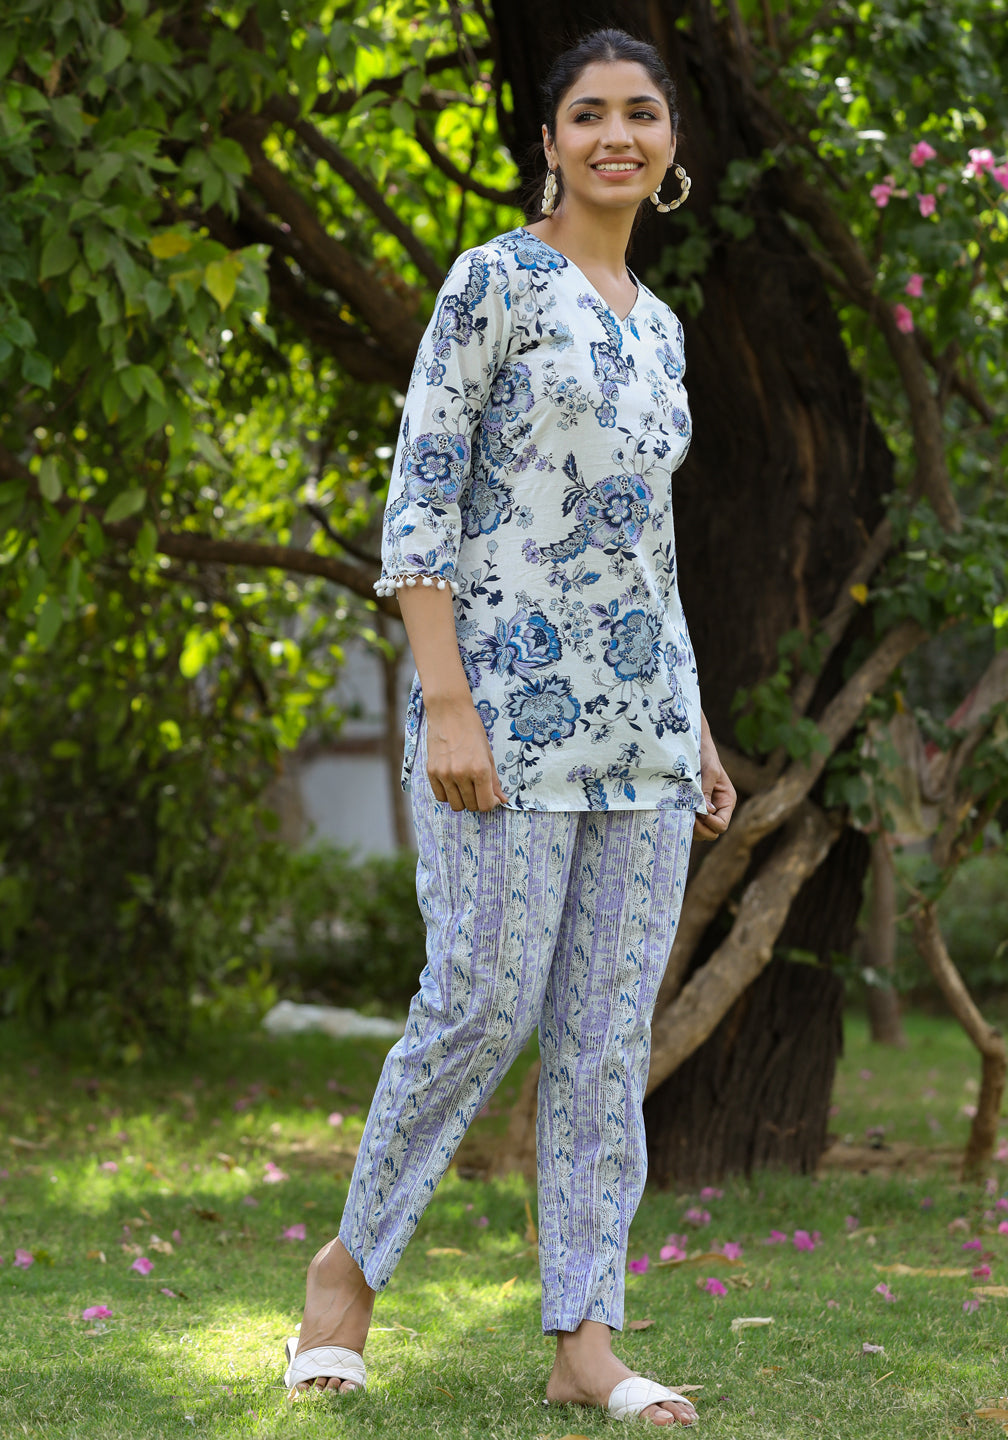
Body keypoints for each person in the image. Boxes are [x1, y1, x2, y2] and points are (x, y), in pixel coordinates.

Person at [285, 27, 737, 1429]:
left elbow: (650, 549)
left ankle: (585, 1339)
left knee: (604, 1040)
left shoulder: (660, 328)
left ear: (669, 144)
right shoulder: (491, 282)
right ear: (549, 141)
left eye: (642, 113)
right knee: (481, 1001)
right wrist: (448, 703)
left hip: (644, 728)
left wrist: (697, 724)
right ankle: (346, 1278)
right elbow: (421, 500)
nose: (617, 134)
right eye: (589, 113)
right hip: (502, 715)